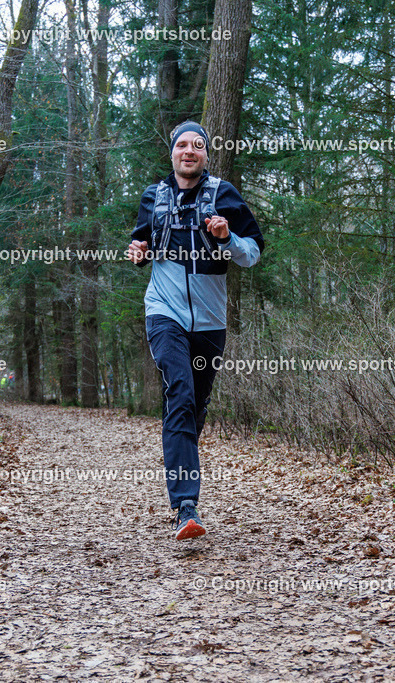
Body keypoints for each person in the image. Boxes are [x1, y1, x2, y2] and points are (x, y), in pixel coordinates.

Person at [127, 121, 265, 540]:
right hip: (163, 312)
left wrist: (227, 238)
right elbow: (141, 245)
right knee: (180, 393)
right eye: (182, 145)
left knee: (193, 407)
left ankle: (180, 448)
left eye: (197, 146)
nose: (189, 151)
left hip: (209, 323)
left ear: (206, 155)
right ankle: (186, 506)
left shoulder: (223, 194)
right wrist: (138, 252)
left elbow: (253, 253)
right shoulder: (154, 197)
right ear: (172, 154)